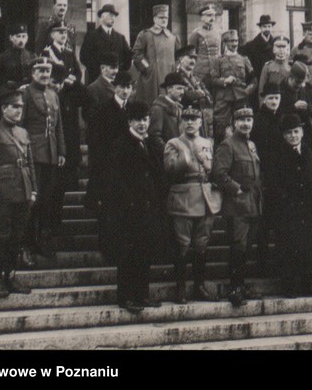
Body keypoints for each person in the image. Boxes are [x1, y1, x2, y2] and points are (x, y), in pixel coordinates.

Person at [105, 100, 168, 314]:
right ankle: (126, 298)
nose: (142, 124)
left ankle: (142, 294)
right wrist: (130, 202)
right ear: (130, 121)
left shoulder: (150, 144)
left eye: (145, 120)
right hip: (129, 210)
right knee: (128, 254)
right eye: (138, 120)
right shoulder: (121, 144)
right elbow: (115, 178)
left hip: (148, 209)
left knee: (145, 252)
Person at [0, 89, 36, 298]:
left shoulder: (23, 133)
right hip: (3, 194)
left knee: (17, 237)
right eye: (15, 106)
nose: (19, 110)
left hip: (23, 193)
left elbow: (29, 164)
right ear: (4, 109)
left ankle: (10, 277)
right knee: (2, 237)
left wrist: (34, 190)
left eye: (21, 106)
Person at [163, 106, 220, 304]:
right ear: (181, 122)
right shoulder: (174, 143)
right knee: (183, 245)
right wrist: (185, 159)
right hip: (183, 198)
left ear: (199, 122)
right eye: (186, 119)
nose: (190, 122)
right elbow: (169, 169)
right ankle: (180, 288)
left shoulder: (207, 143)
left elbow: (212, 170)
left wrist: (208, 166)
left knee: (201, 244)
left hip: (205, 198)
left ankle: (199, 286)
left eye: (194, 119)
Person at [266, 114, 312, 298]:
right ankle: (291, 287)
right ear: (284, 136)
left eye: (296, 131)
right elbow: (273, 184)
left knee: (311, 247)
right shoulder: (277, 155)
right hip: (288, 210)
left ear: (302, 132)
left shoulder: (309, 153)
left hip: (309, 209)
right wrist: (286, 201)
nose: (293, 136)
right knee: (289, 248)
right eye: (289, 133)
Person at [212, 105, 263, 307]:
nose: (245, 124)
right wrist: (236, 189)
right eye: (241, 121)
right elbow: (218, 173)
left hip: (253, 203)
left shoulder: (251, 145)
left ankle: (241, 285)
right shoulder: (228, 145)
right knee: (238, 246)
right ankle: (235, 287)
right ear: (234, 124)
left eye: (249, 120)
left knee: (247, 246)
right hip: (236, 205)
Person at [20, 57, 65, 265]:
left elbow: (58, 127)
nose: (45, 75)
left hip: (51, 155)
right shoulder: (26, 93)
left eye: (47, 71)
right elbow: (19, 126)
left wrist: (61, 151)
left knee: (47, 202)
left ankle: (42, 242)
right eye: (40, 71)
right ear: (32, 73)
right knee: (32, 202)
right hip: (32, 154)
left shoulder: (53, 94)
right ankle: (25, 246)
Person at [87, 70, 133, 261]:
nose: (125, 91)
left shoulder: (133, 110)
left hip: (128, 169)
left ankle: (121, 247)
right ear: (115, 87)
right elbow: (95, 142)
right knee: (108, 209)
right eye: (121, 87)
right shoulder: (103, 110)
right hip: (107, 168)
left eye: (128, 87)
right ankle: (107, 248)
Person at [42, 23, 85, 190]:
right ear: (52, 35)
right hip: (57, 98)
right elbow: (49, 74)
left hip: (70, 99)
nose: (63, 35)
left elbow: (78, 71)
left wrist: (72, 79)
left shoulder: (68, 52)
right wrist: (64, 81)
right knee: (61, 135)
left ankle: (72, 177)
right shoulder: (47, 52)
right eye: (59, 32)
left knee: (72, 136)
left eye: (65, 33)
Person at [251, 82, 284, 276]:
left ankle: (278, 263)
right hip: (263, 175)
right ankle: (261, 263)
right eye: (271, 98)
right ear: (264, 99)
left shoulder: (282, 118)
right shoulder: (257, 120)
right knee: (263, 223)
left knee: (280, 221)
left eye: (277, 98)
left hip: (280, 176)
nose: (274, 102)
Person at [132, 4, 181, 105]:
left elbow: (178, 56)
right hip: (150, 79)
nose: (164, 20)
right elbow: (137, 54)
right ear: (154, 19)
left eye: (166, 17)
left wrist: (174, 68)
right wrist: (148, 67)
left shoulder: (173, 37)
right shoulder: (146, 34)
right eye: (161, 17)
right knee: (151, 104)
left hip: (168, 76)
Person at [212, 29, 256, 143]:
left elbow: (254, 80)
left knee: (242, 126)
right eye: (231, 41)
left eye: (236, 41)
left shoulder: (244, 59)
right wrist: (225, 80)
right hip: (223, 99)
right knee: (221, 128)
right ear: (225, 43)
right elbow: (213, 80)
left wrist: (247, 91)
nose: (235, 44)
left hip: (240, 98)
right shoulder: (219, 61)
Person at [79, 4, 132, 84]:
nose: (113, 18)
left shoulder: (120, 38)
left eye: (114, 16)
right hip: (96, 80)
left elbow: (128, 57)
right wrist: (99, 71)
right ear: (102, 17)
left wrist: (118, 72)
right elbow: (84, 57)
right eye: (110, 15)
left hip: (115, 82)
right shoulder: (91, 36)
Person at [0, 22, 35, 100]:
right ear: (11, 38)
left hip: (28, 96)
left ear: (27, 38)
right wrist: (4, 92)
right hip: (10, 97)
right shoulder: (4, 57)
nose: (21, 40)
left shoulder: (32, 56)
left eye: (23, 36)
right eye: (18, 36)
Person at [176, 45, 214, 139]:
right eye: (189, 57)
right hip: (184, 120)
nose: (193, 61)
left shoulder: (195, 78)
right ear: (181, 59)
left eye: (194, 58)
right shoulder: (176, 77)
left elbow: (209, 98)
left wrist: (201, 94)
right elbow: (187, 95)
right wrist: (200, 93)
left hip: (197, 120)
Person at [279, 60, 312, 141]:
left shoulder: (305, 89)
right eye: (297, 82)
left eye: (302, 83)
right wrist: (293, 107)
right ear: (291, 76)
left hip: (305, 133)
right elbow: (277, 114)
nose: (300, 85)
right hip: (288, 134)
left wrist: (307, 108)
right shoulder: (280, 90)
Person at [149, 71, 186, 150]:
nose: (182, 92)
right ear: (169, 89)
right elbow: (154, 137)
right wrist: (169, 152)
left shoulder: (179, 108)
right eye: (179, 88)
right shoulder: (157, 109)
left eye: (183, 89)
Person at [188, 4, 221, 91]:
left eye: (213, 15)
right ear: (202, 18)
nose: (212, 18)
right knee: (202, 95)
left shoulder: (218, 32)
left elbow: (220, 52)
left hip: (216, 69)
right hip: (201, 71)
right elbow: (191, 54)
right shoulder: (196, 33)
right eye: (209, 15)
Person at [240, 14, 277, 87]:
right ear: (260, 28)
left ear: (272, 27)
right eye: (264, 27)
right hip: (258, 80)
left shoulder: (275, 44)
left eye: (269, 26)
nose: (267, 29)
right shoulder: (251, 45)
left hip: (272, 80)